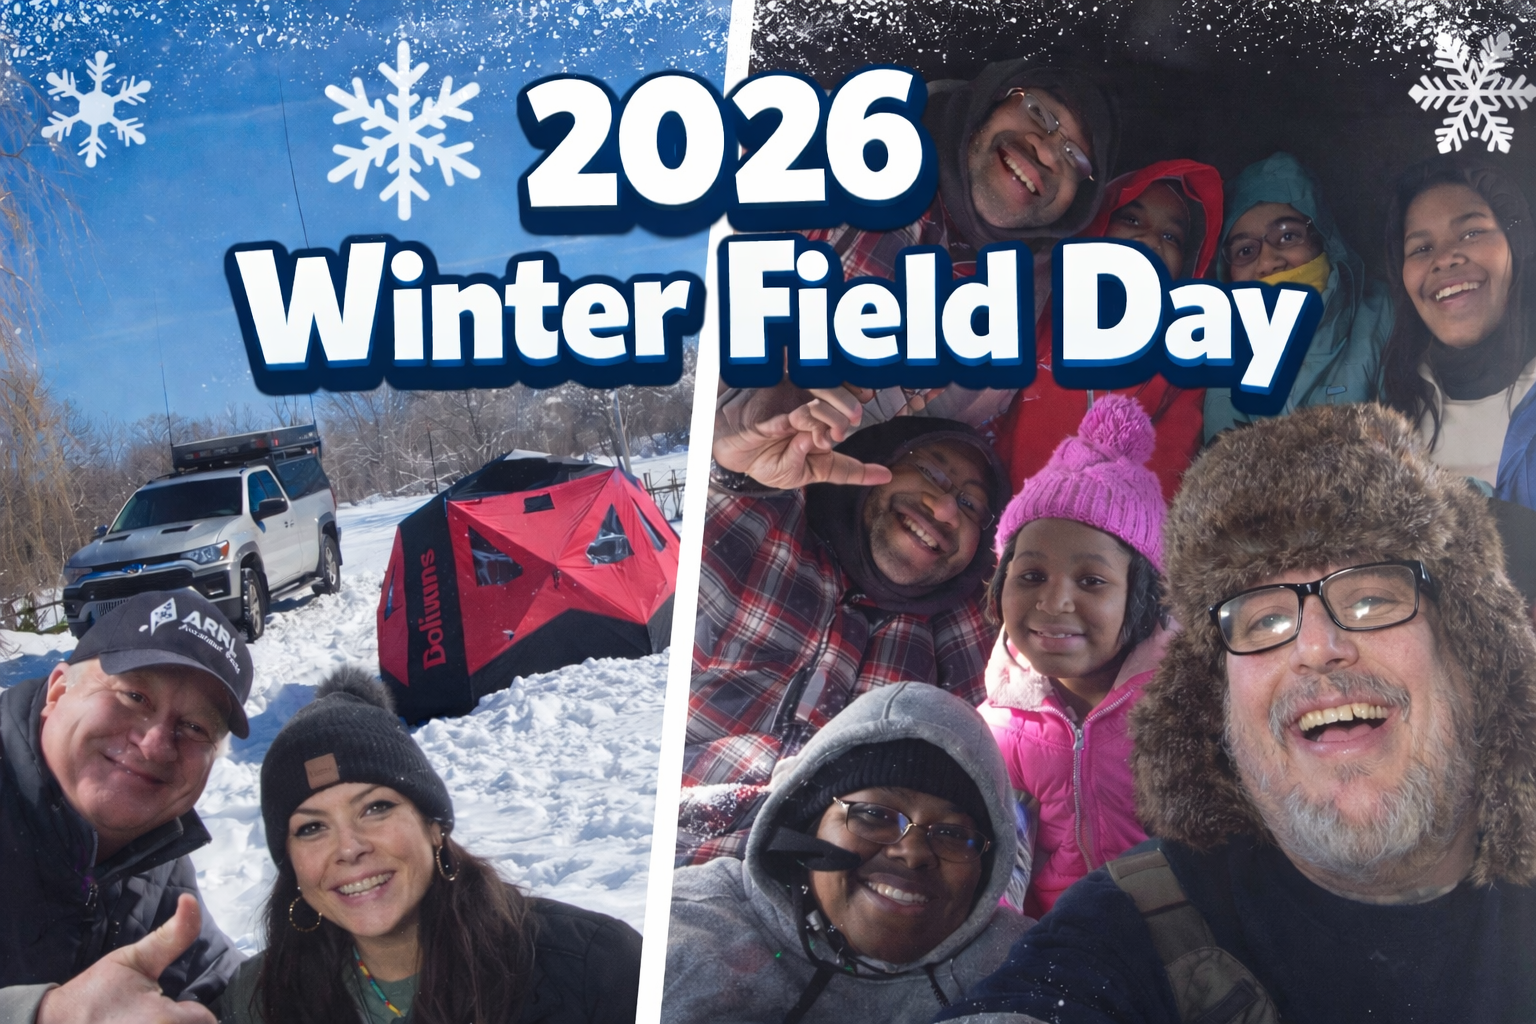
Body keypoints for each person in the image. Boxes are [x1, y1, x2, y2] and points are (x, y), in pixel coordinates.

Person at [936, 402, 1536, 1023]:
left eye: (1371, 599)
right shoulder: (1131, 920)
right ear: (1213, 699)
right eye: (1267, 619)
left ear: (1474, 651)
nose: (1317, 647)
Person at [681, 382, 1008, 864]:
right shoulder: (769, 539)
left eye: (970, 505)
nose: (943, 509)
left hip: (833, 895)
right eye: (930, 473)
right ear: (875, 460)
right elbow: (729, 498)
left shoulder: (962, 634)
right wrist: (727, 461)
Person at [214, 665, 641, 1024]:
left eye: (375, 808)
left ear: (434, 825)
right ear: (289, 862)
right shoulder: (256, 1002)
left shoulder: (593, 969)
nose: (349, 847)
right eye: (311, 828)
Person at [666, 681, 1031, 1024]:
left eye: (952, 833)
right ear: (807, 825)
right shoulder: (695, 925)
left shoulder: (1024, 967)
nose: (913, 852)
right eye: (874, 816)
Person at [808, 59, 1117, 428]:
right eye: (1038, 113)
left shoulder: (1014, 315)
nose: (1048, 153)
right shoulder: (835, 141)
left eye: (1076, 158)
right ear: (991, 101)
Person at [0, 589, 249, 1024]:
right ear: (58, 690)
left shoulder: (152, 848)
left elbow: (216, 984)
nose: (155, 746)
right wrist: (43, 1016)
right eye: (135, 696)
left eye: (193, 727)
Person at [979, 394, 1170, 917]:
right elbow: (998, 874)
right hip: (1048, 950)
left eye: (1091, 580)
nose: (1055, 601)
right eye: (1032, 575)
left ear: (1143, 596)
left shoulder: (1191, 708)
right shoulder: (995, 728)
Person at [991, 160, 1223, 499]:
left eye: (1171, 236)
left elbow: (1171, 462)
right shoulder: (1038, 303)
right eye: (1131, 219)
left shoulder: (1184, 352)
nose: (1150, 239)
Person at [1376, 155, 1536, 502]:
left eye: (1471, 232)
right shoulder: (1389, 410)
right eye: (1421, 248)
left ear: (1516, 243)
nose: (1445, 257)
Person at [1203, 152, 1393, 441]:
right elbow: (1225, 462)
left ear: (1322, 239)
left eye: (1288, 236)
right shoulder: (1221, 352)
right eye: (1245, 250)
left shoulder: (1382, 314)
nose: (1268, 262)